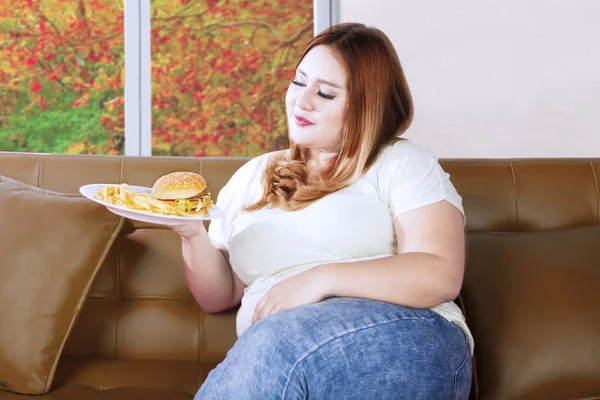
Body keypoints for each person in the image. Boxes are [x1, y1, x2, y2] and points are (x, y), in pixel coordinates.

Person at [170, 22, 473, 400]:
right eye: (299, 82)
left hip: (412, 337)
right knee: (275, 344)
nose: (302, 101)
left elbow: (439, 273)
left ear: (366, 106)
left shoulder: (402, 162)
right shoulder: (254, 174)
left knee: (276, 343)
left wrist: (317, 279)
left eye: (325, 93)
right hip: (284, 354)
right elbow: (222, 294)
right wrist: (191, 233)